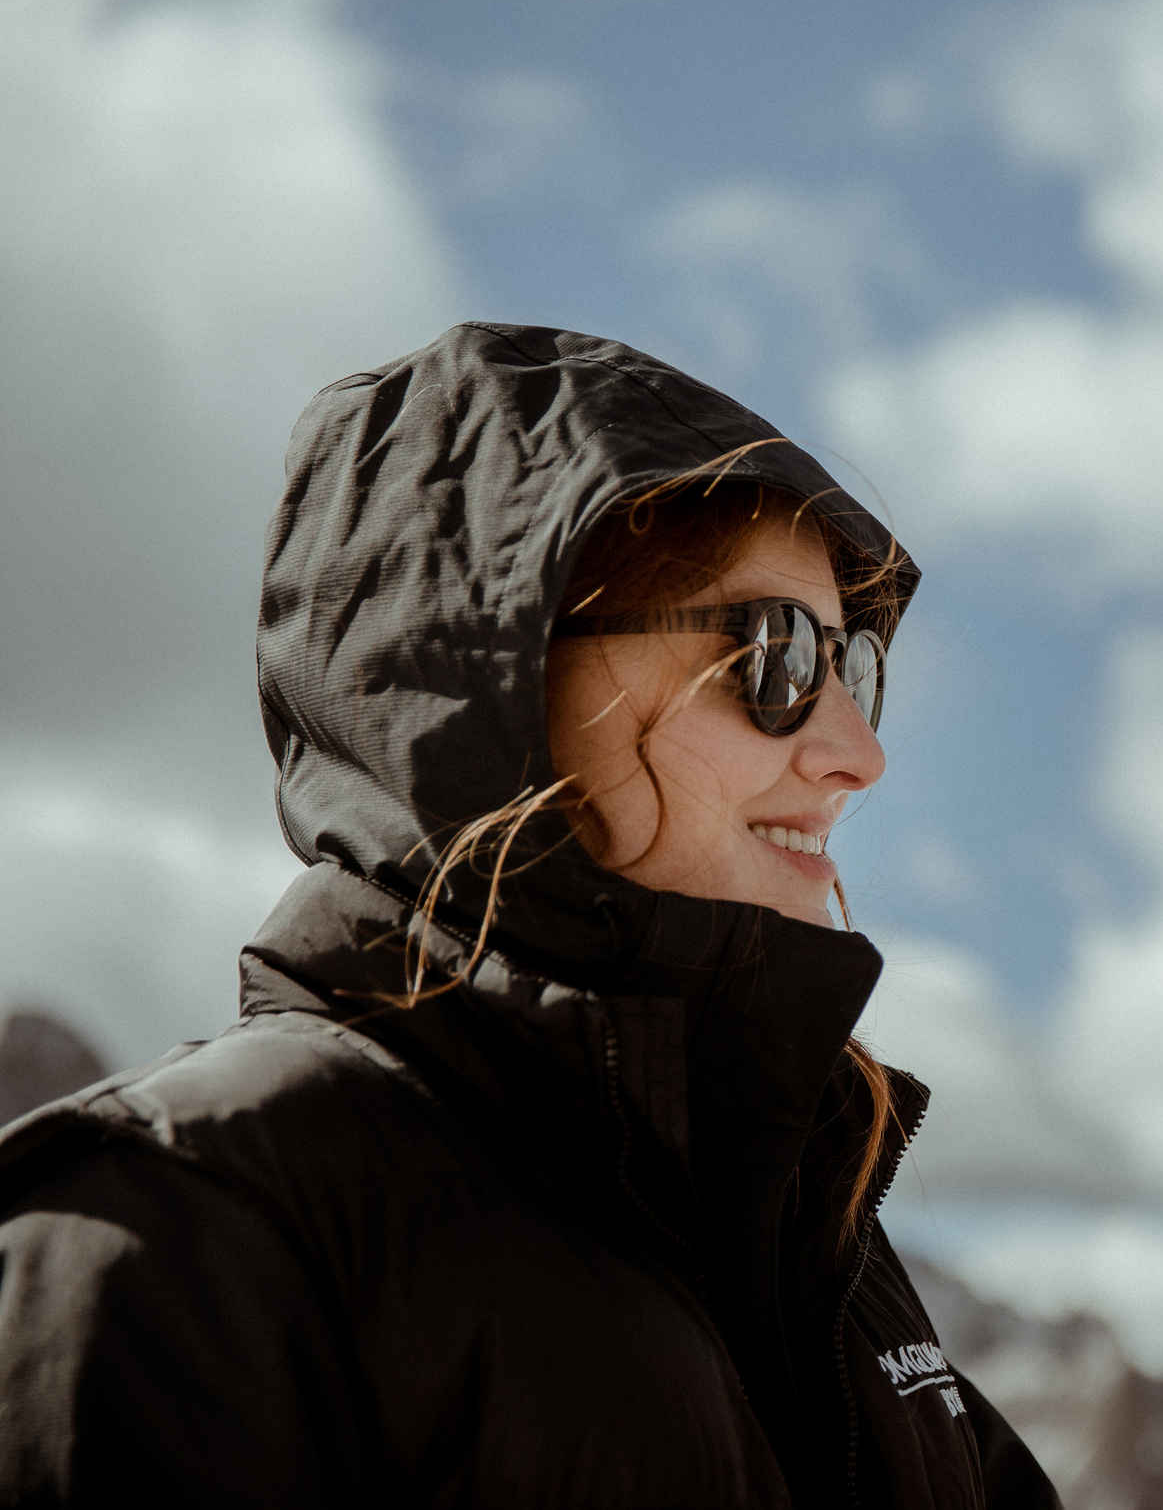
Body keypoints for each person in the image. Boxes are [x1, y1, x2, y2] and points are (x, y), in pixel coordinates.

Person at [0, 322, 1059, 1508]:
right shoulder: (182, 1226)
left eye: (852, 667)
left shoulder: (809, 1232)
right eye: (773, 657)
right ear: (495, 685)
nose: (857, 754)